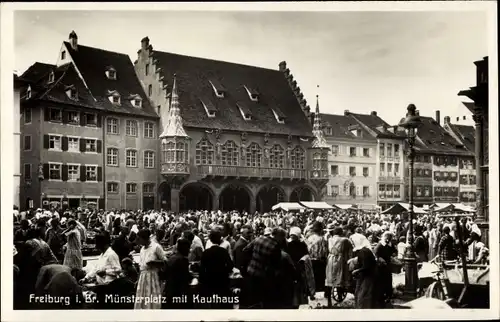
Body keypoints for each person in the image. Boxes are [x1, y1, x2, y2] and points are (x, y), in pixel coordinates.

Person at [243, 225, 282, 308]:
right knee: (262, 298)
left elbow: (245, 250)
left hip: (251, 270)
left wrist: (252, 259)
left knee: (252, 296)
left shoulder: (259, 238)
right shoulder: (275, 246)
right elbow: (276, 265)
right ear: (278, 236)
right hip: (263, 274)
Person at [199, 227, 234, 309]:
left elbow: (202, 268)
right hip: (222, 280)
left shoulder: (206, 252)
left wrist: (202, 280)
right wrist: (224, 271)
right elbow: (230, 266)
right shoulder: (224, 252)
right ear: (220, 239)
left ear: (210, 240)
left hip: (209, 281)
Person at [134, 229, 166, 309]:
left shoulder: (156, 247)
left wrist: (155, 262)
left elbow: (165, 261)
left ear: (144, 238)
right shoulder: (142, 249)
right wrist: (138, 279)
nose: (138, 241)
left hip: (153, 276)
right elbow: (141, 266)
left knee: (152, 297)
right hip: (143, 277)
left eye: (139, 239)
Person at [325, 226, 354, 307]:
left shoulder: (329, 239)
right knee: (339, 276)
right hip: (339, 259)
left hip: (330, 258)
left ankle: (328, 299)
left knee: (330, 277)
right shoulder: (344, 240)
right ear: (341, 232)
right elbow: (351, 249)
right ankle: (340, 295)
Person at [163, 238, 193, 309]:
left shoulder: (171, 258)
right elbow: (185, 278)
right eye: (188, 248)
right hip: (179, 292)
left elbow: (165, 274)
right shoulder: (183, 260)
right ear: (185, 249)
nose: (189, 251)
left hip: (169, 290)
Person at [306, 221, 328, 293]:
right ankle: (320, 288)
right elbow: (324, 251)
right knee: (320, 276)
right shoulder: (322, 239)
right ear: (321, 229)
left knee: (312, 276)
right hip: (319, 261)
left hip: (310, 260)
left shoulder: (309, 237)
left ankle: (312, 291)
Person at [373, 231, 396, 302]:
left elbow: (394, 251)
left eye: (390, 238)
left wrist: (393, 255)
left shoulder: (390, 244)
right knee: (381, 280)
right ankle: (381, 295)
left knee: (388, 279)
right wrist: (381, 259)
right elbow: (376, 254)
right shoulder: (380, 245)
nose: (388, 240)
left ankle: (388, 294)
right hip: (381, 265)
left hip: (387, 264)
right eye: (387, 238)